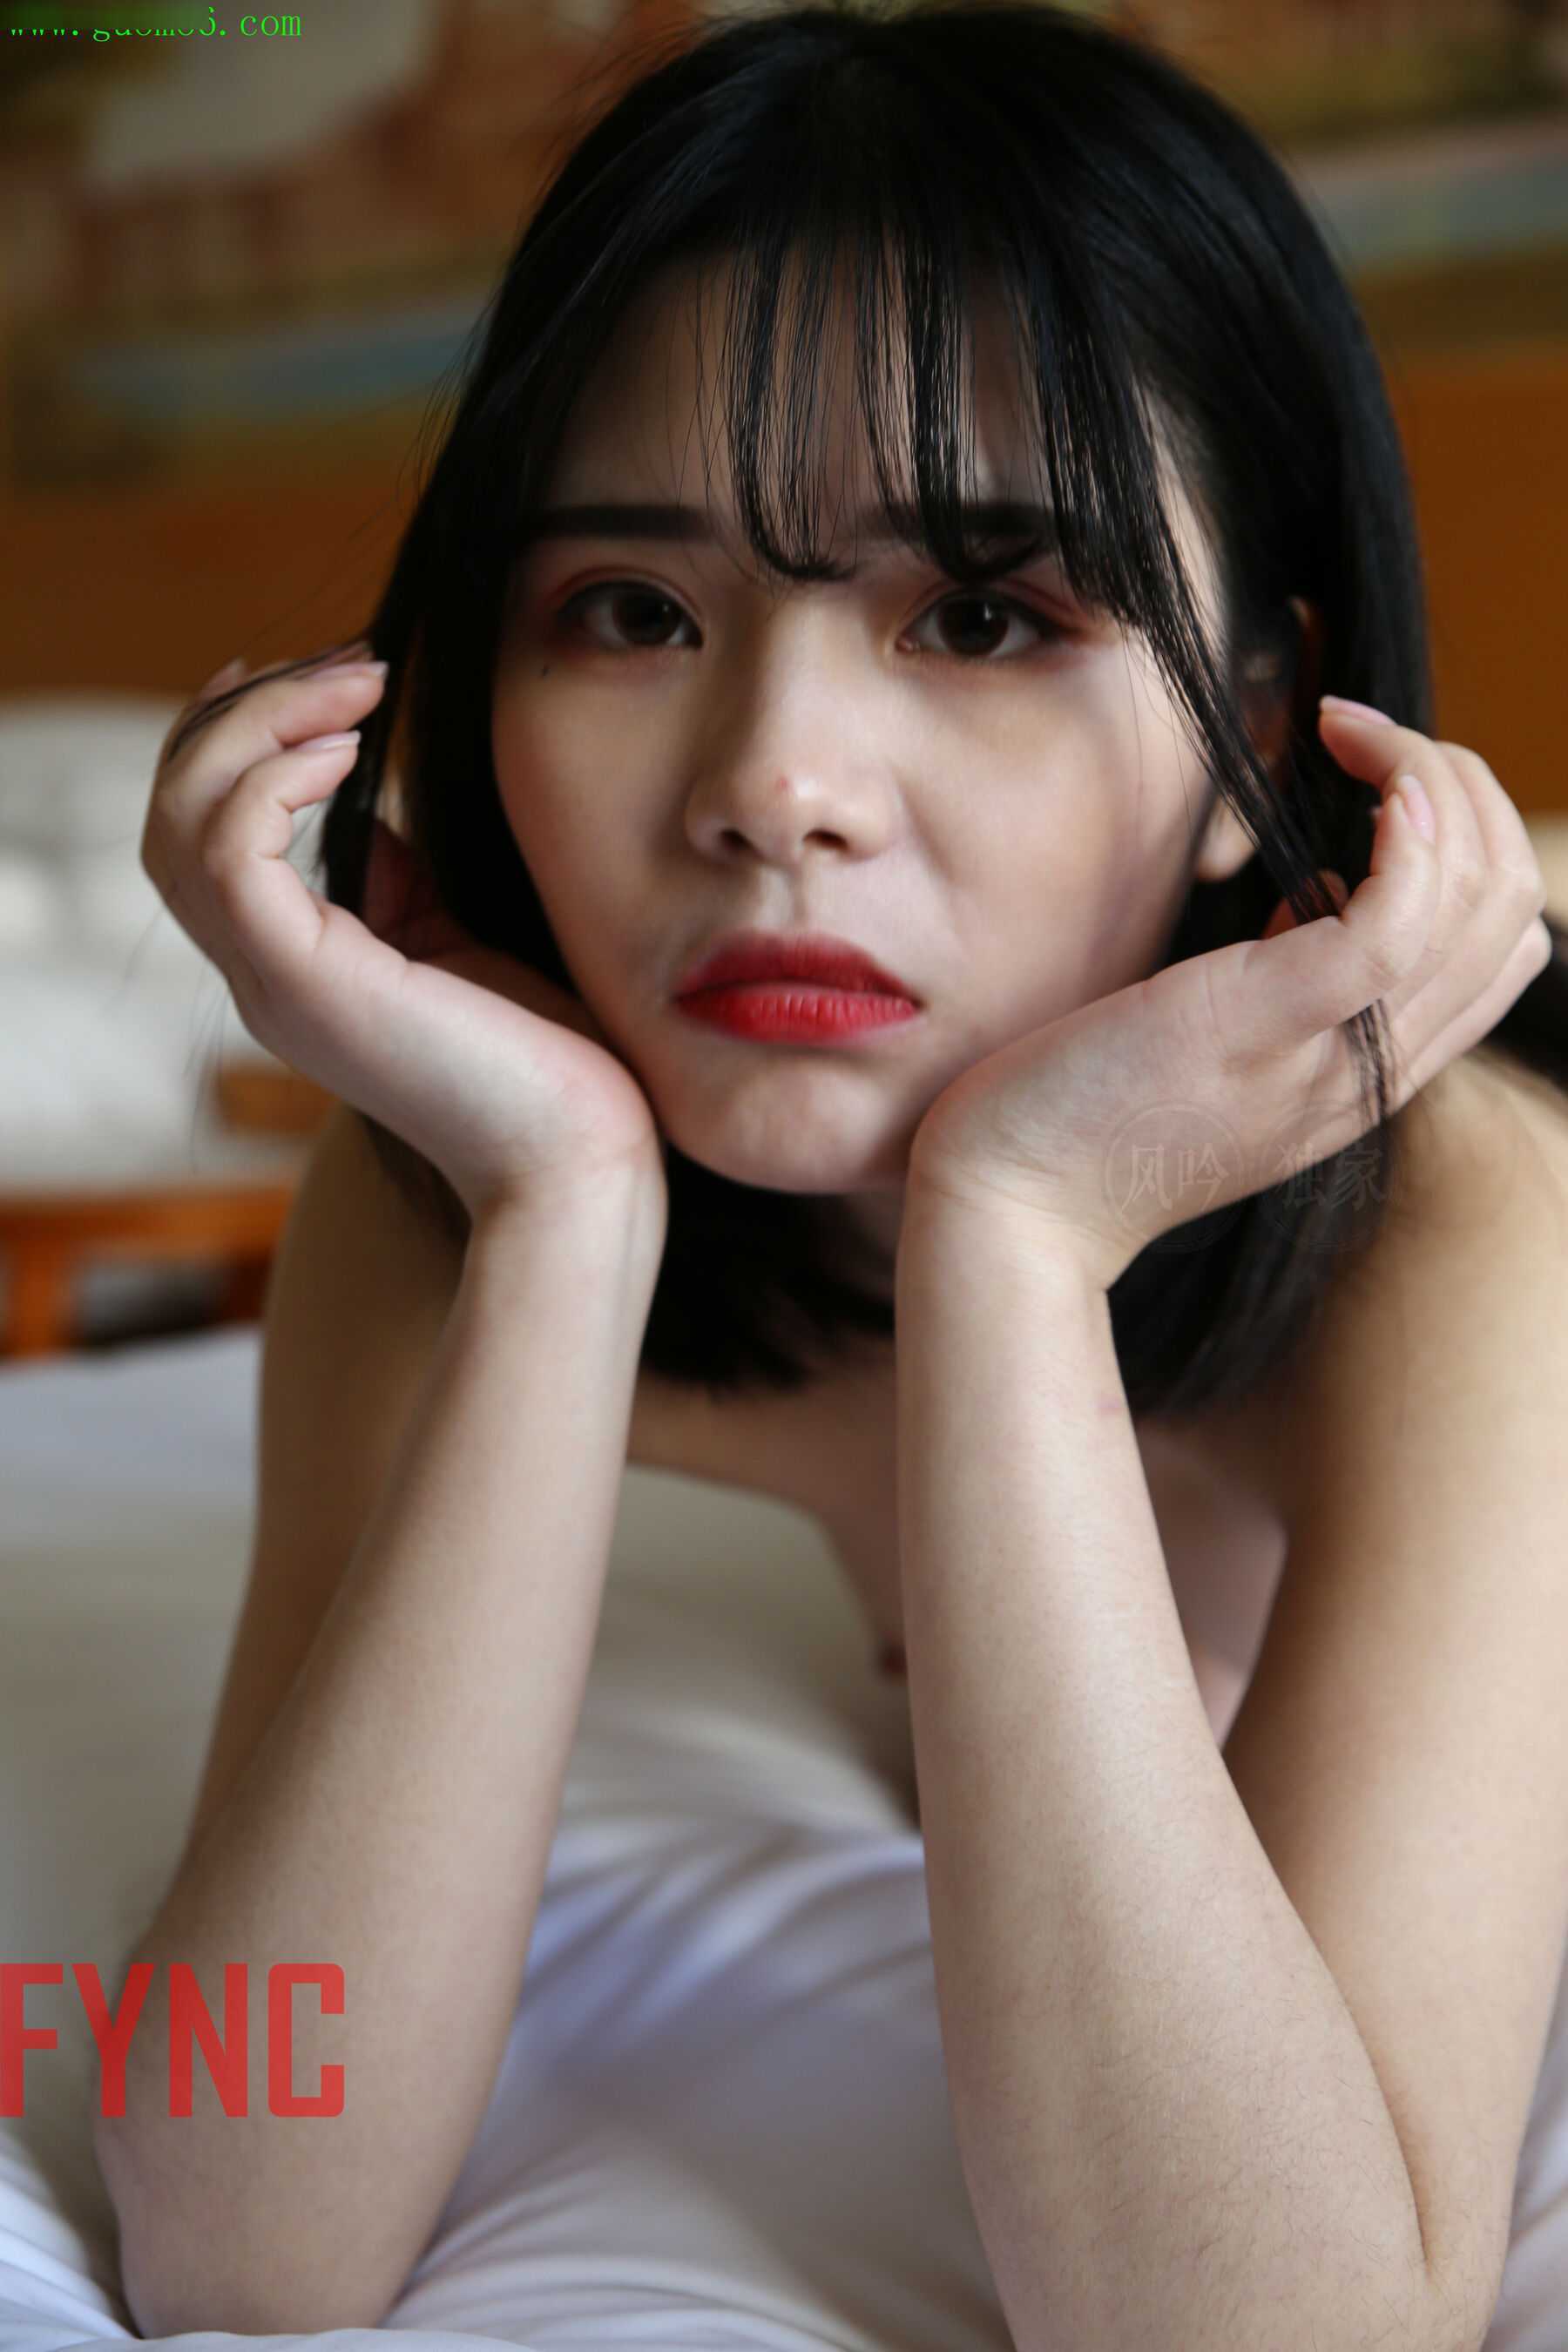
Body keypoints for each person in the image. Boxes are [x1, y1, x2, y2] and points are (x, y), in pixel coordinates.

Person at [98, 3, 1567, 2343]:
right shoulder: (454, 1179)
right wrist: (563, 1213)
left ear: (1251, 728)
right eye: (632, 611)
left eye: (983, 615)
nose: (775, 781)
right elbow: (235, 2232)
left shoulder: (1463, 1225)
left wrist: (1020, 1233)